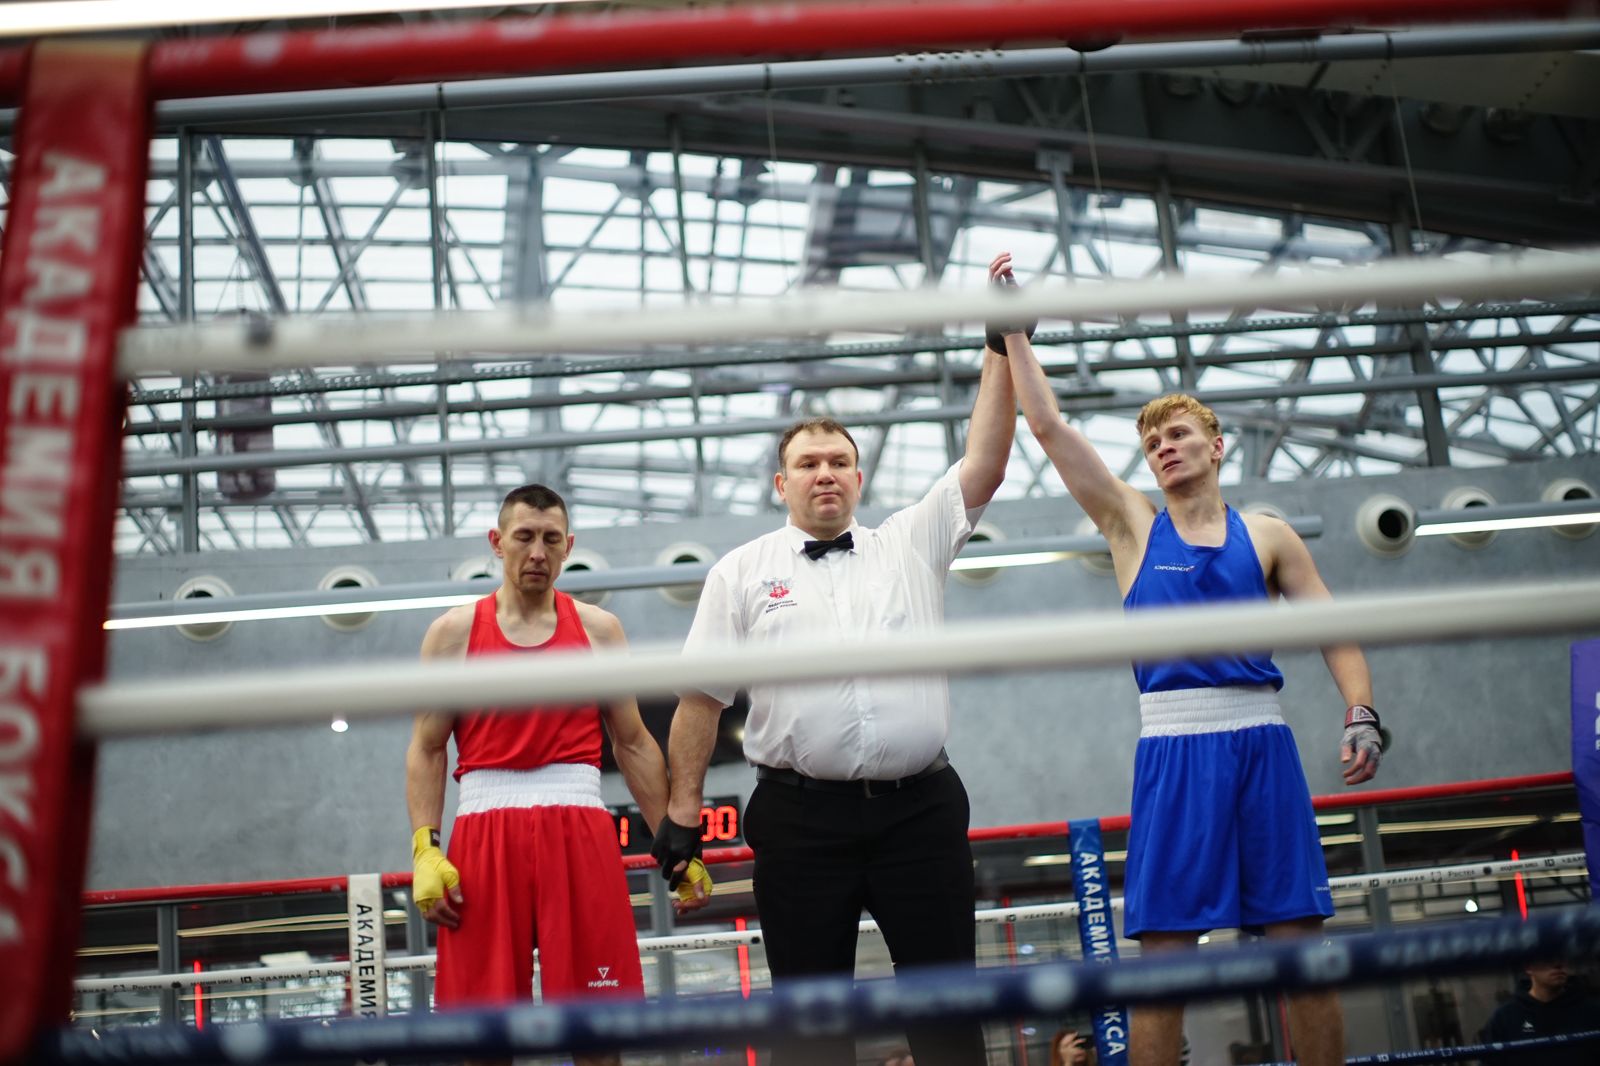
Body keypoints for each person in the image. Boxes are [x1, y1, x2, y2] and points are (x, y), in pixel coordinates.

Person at [997, 251, 1385, 1066]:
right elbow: (1050, 429)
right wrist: (1017, 333)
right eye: (1151, 442)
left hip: (1264, 745)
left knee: (1302, 952)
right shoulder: (1133, 526)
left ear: (1216, 444)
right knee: (1164, 967)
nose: (1163, 448)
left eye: (1177, 434)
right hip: (1174, 749)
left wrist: (1361, 710)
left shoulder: (1269, 535)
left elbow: (1335, 628)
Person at [651, 254, 1018, 1066]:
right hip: (799, 821)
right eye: (808, 463)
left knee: (949, 1018)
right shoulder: (740, 572)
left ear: (859, 475)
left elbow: (986, 463)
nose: (825, 473)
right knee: (811, 1031)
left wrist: (998, 347)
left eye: (838, 461)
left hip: (920, 814)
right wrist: (682, 815)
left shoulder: (911, 543)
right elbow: (701, 700)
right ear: (781, 483)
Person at [406, 483, 711, 1066]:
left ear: (568, 546)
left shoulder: (599, 630)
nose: (537, 552)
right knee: (482, 1039)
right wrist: (425, 847)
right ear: (497, 542)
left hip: (578, 828)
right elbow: (427, 747)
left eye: (551, 539)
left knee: (598, 1032)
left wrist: (676, 846)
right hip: (484, 834)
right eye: (524, 537)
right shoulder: (452, 633)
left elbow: (632, 742)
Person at [1484, 958, 1600, 1064]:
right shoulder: (1505, 1018)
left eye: (1562, 956)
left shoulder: (1591, 1012)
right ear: (1528, 967)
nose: (1558, 964)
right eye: (1548, 956)